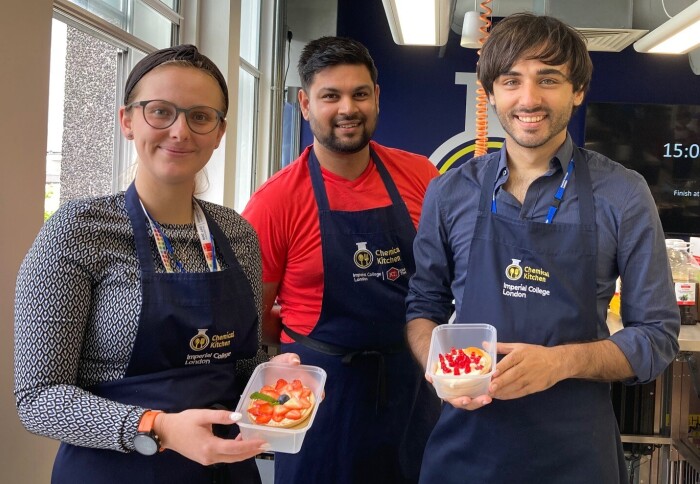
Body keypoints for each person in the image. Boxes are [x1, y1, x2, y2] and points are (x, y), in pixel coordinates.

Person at [405, 13, 680, 484]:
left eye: (548, 79)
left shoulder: (623, 193)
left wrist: (560, 363)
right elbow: (423, 308)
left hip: (574, 451)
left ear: (576, 91)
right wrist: (440, 368)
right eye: (511, 81)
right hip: (467, 447)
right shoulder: (450, 192)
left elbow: (656, 335)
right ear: (491, 94)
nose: (528, 99)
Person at [14, 44, 299, 484]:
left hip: (224, 471)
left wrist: (271, 378)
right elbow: (38, 398)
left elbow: (236, 366)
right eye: (160, 111)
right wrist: (158, 427)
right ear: (127, 120)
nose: (180, 131)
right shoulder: (79, 230)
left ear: (220, 131)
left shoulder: (236, 234)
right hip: (114, 470)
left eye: (200, 116)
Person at [242, 36, 441, 483]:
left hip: (411, 392)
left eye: (360, 93)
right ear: (305, 103)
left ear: (376, 98)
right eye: (331, 95)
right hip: (321, 401)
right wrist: (303, 334)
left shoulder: (422, 178)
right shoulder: (275, 202)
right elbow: (251, 317)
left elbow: (444, 280)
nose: (347, 107)